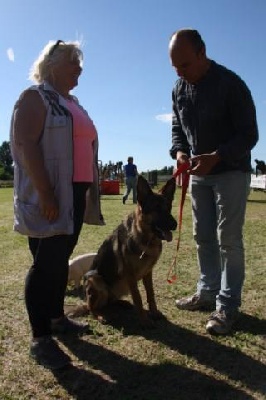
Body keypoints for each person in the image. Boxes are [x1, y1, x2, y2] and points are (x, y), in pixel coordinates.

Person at [10, 40, 104, 369]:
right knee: (46, 264)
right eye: (72, 62)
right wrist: (46, 193)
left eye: (80, 63)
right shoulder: (34, 97)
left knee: (59, 260)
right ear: (52, 65)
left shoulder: (71, 102)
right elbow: (24, 145)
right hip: (50, 193)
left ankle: (56, 319)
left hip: (75, 192)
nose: (79, 69)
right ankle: (40, 339)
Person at [169, 29, 259, 335]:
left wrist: (217, 156)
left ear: (201, 53)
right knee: (203, 237)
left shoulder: (231, 85)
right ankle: (207, 293)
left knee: (228, 240)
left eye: (185, 65)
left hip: (231, 172)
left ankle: (227, 306)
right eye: (175, 68)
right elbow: (177, 129)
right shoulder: (179, 88)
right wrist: (180, 152)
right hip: (199, 175)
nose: (181, 73)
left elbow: (250, 135)